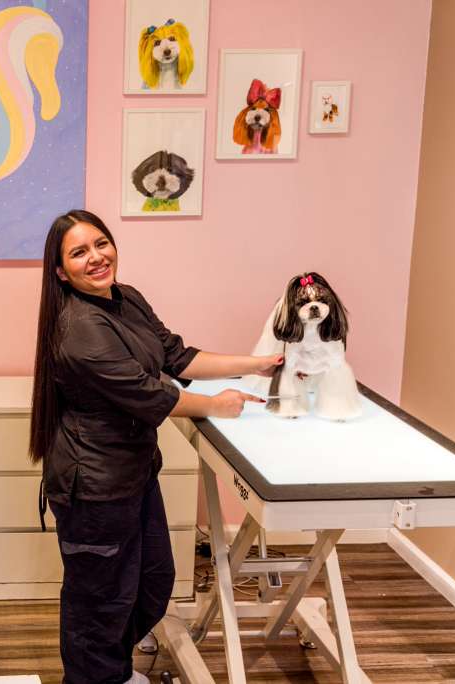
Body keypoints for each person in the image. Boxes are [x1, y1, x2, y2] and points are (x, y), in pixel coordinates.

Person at [29, 209, 281, 684]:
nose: (97, 257)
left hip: (135, 474)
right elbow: (148, 393)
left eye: (101, 244)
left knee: (152, 581)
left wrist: (258, 364)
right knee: (99, 602)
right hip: (95, 489)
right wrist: (216, 405)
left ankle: (113, 671)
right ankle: (95, 677)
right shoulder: (80, 328)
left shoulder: (127, 299)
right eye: (79, 252)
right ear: (61, 271)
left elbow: (176, 356)